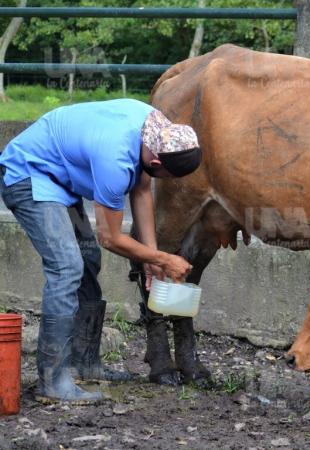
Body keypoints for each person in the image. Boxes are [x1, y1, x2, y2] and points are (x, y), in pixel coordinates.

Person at [0, 98, 201, 403]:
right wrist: (162, 258)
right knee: (67, 267)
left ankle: (84, 361)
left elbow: (143, 189)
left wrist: (150, 257)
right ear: (157, 163)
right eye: (167, 177)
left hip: (60, 178)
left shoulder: (156, 127)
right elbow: (110, 237)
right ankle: (52, 382)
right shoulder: (115, 159)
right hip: (28, 173)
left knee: (87, 258)